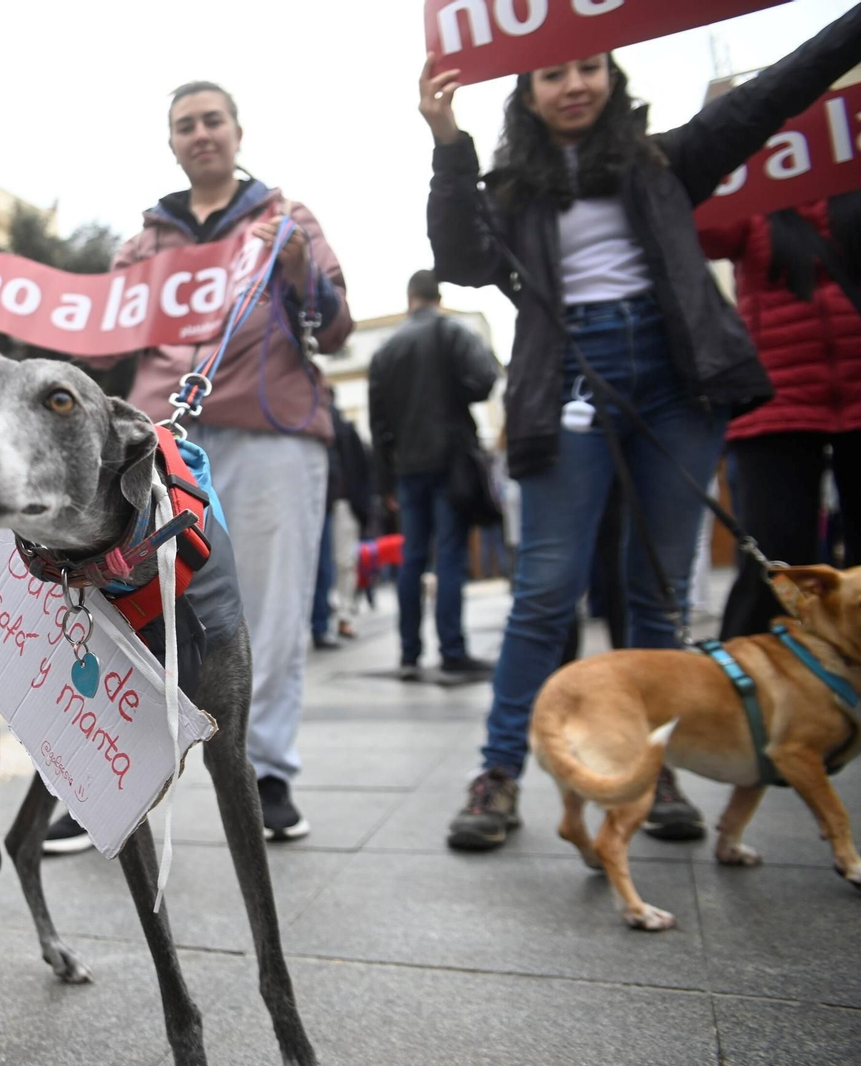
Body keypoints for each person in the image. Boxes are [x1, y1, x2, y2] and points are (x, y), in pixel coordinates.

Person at [419, 7, 861, 851]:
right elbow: (463, 260)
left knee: (659, 588)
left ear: (612, 77)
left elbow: (778, 91)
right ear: (529, 92)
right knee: (546, 591)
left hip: (674, 382)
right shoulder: (508, 191)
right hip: (569, 384)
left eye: (588, 67)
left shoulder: (667, 161)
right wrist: (447, 140)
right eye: (553, 73)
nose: (573, 84)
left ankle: (652, 774)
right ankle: (500, 774)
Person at [57, 80, 352, 849]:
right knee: (127, 601)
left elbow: (338, 322)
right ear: (173, 143)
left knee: (271, 606)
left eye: (212, 119)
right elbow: (100, 333)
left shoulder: (287, 218)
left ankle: (268, 771)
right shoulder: (145, 241)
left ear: (237, 129)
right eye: (185, 124)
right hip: (162, 437)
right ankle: (104, 770)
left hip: (269, 430)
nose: (201, 134)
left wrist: (295, 266)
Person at [700, 193, 861, 641]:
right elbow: (704, 232)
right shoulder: (752, 185)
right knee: (772, 562)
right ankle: (745, 691)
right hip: (777, 398)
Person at [368, 270, 500, 682]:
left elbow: (377, 424)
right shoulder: (452, 333)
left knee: (412, 559)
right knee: (451, 556)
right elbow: (484, 380)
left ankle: (409, 655)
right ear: (437, 297)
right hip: (450, 462)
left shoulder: (386, 349)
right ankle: (452, 652)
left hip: (407, 466)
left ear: (410, 298)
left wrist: (386, 480)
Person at [310, 387, 372, 650]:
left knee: (340, 563)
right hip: (326, 501)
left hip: (340, 502)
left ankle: (338, 617)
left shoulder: (339, 427)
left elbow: (360, 467)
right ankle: (329, 620)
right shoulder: (313, 425)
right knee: (331, 565)